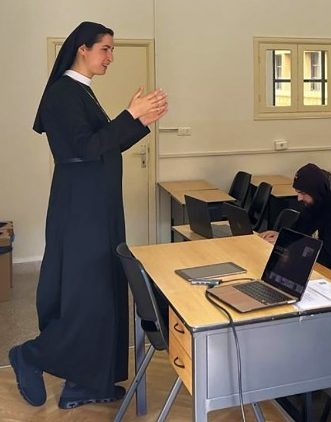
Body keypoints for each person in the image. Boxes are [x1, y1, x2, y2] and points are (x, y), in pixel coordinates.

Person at [9, 22, 167, 409]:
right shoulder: (63, 93)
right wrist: (130, 115)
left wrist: (138, 122)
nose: (111, 57)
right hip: (81, 212)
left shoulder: (82, 92)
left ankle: (87, 383)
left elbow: (104, 147)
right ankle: (30, 356)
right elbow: (81, 149)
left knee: (104, 295)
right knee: (86, 299)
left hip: (98, 208)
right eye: (106, 50)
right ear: (83, 49)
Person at [260, 163, 331, 280]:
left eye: (303, 193)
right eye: (298, 192)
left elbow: (326, 257)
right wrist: (282, 237)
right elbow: (297, 232)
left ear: (316, 191)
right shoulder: (314, 204)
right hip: (314, 268)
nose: (299, 198)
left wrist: (291, 249)